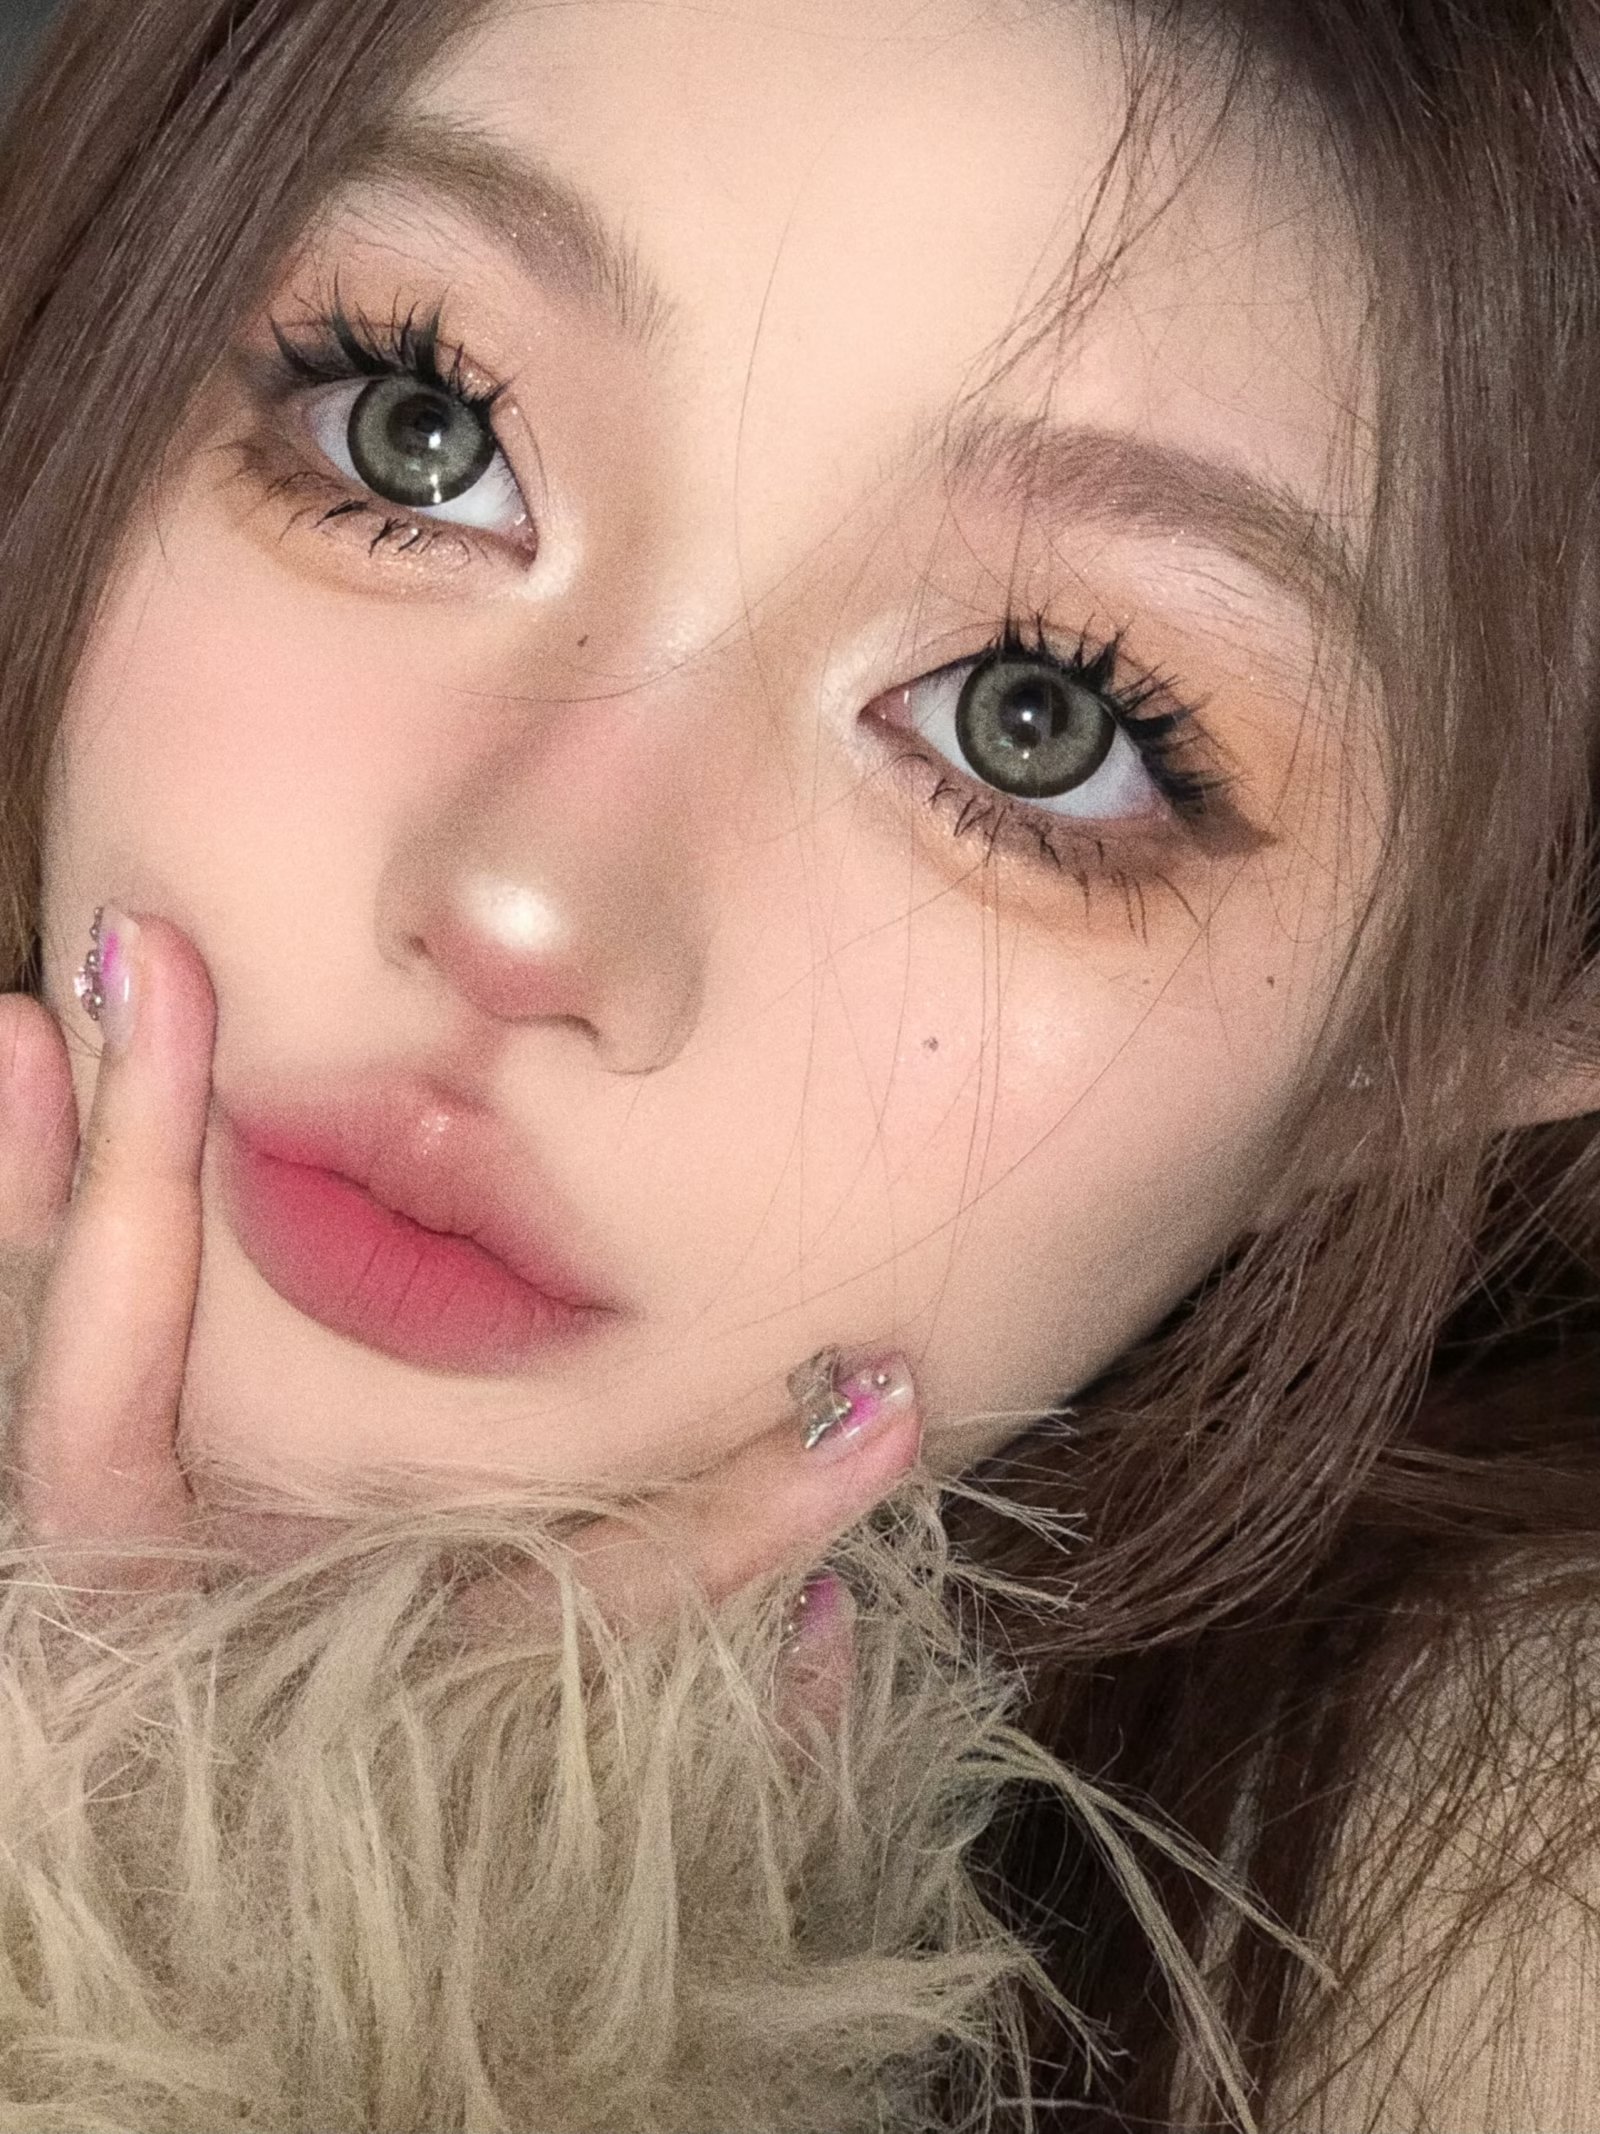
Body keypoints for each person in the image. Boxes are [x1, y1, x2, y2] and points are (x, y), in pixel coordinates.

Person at [0, 0, 1595, 2126]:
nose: (524, 907)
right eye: (415, 429)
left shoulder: (1498, 1954)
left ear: (1437, 1046)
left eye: (1038, 721)